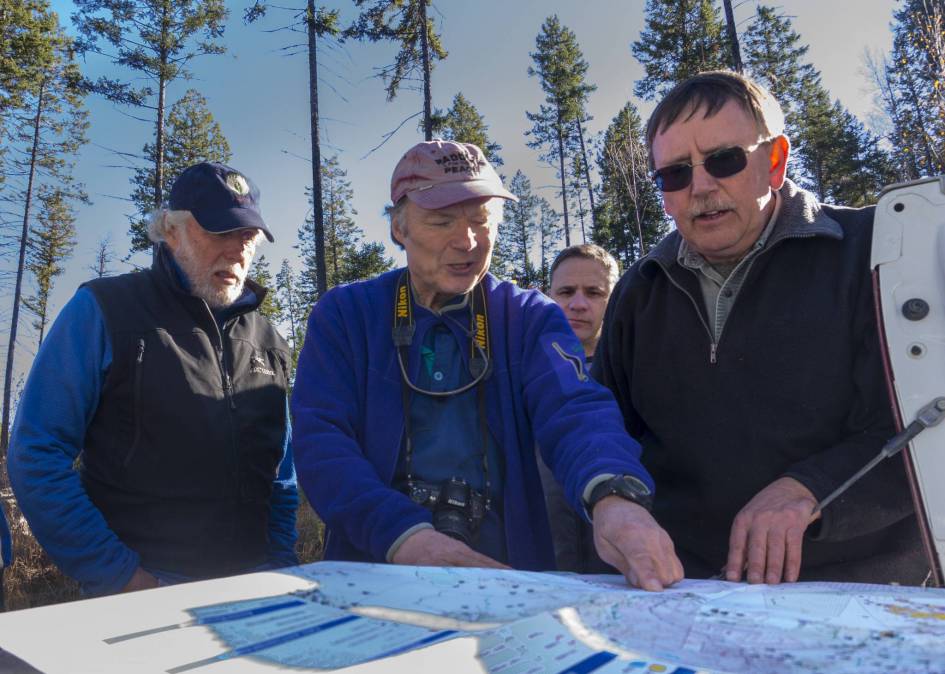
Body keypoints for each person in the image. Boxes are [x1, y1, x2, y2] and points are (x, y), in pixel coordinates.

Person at [292, 140, 682, 591]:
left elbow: (576, 409)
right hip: (374, 572)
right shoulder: (346, 315)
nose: (468, 242)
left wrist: (615, 498)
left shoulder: (528, 316)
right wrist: (402, 536)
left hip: (507, 580)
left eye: (483, 221)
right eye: (442, 222)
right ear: (399, 228)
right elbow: (322, 442)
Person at [595, 70, 927, 585]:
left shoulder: (876, 255)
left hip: (863, 591)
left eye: (724, 160)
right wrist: (612, 498)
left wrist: (811, 487)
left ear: (774, 161)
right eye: (675, 174)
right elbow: (605, 427)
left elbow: (928, 424)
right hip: (684, 591)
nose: (700, 187)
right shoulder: (640, 290)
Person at [8, 162, 298, 596]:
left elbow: (281, 476)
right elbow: (36, 453)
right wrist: (118, 575)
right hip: (143, 589)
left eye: (248, 237)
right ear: (172, 231)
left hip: (253, 589)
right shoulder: (107, 311)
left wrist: (280, 566)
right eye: (220, 232)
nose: (238, 250)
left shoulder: (269, 340)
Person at [540, 245, 621, 572]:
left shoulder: (636, 372)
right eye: (566, 291)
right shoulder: (522, 373)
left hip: (618, 568)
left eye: (593, 292)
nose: (577, 304)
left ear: (613, 299)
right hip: (545, 566)